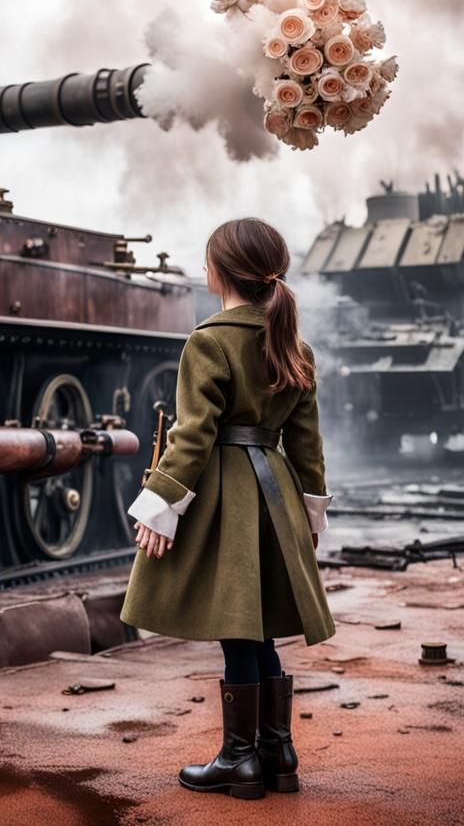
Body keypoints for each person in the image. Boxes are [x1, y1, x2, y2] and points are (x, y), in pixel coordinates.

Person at [119, 217, 335, 801]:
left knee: (237, 628)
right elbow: (307, 446)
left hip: (226, 499)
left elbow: (192, 437)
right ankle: (275, 751)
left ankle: (240, 760)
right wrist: (310, 517)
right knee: (255, 624)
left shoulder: (208, 340)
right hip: (277, 495)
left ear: (217, 273)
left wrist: (160, 504)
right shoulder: (296, 344)